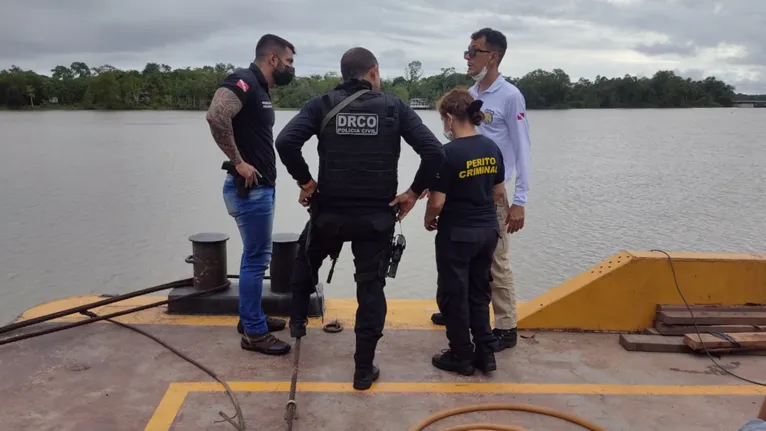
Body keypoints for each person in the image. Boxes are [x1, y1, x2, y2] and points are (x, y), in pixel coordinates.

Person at [274, 47, 444, 390]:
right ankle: (362, 371)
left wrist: (307, 182)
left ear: (343, 73)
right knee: (370, 289)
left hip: (329, 214)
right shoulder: (394, 108)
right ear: (373, 73)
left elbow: (286, 141)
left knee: (307, 260)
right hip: (375, 220)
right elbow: (435, 152)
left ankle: (297, 324)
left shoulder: (321, 105)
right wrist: (413, 193)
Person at [430, 28, 531, 353]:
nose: (468, 57)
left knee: (496, 262)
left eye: (474, 52)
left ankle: (506, 326)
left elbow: (523, 148)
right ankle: (455, 310)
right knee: (455, 259)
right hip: (461, 193)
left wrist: (520, 201)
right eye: (467, 51)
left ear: (494, 56)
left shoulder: (510, 95)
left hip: (493, 194)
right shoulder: (470, 95)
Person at [205, 34, 296, 356]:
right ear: (272, 58)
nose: (290, 68)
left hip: (260, 188)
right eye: (289, 62)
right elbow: (217, 115)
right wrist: (239, 162)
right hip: (249, 190)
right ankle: (254, 334)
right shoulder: (243, 80)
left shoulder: (260, 87)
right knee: (256, 259)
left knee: (255, 257)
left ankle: (251, 317)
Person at [425, 88, 509, 376]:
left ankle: (461, 354)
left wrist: (429, 219)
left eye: (443, 120)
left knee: (453, 295)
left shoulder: (447, 153)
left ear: (449, 118)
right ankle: (486, 353)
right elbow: (499, 192)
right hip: (487, 231)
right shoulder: (491, 147)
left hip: (457, 233)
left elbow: (437, 201)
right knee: (478, 292)